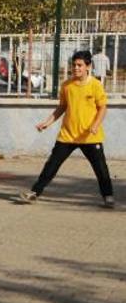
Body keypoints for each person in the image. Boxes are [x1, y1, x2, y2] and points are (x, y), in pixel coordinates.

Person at [19, 50, 114, 208]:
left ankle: (108, 196)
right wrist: (47, 122)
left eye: (80, 65)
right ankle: (34, 192)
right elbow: (61, 108)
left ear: (88, 66)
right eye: (74, 65)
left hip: (89, 136)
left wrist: (95, 125)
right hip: (67, 135)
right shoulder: (67, 86)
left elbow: (103, 108)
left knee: (101, 169)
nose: (76, 68)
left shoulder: (96, 85)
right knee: (51, 165)